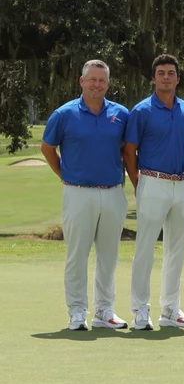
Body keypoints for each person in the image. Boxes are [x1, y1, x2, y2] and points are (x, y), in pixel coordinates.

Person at [41, 60, 130, 330]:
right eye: (92, 79)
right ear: (81, 81)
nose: (97, 84)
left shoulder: (121, 114)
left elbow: (127, 150)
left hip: (113, 193)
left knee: (109, 255)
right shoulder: (64, 114)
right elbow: (47, 148)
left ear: (108, 84)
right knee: (77, 254)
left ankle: (105, 311)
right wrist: (66, 176)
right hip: (78, 193)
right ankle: (77, 311)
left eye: (102, 80)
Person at [123, 54, 184, 330]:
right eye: (161, 73)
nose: (166, 77)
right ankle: (140, 309)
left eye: (171, 73)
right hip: (152, 181)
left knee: (176, 249)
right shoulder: (141, 111)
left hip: (181, 183)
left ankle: (171, 310)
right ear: (153, 78)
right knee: (145, 249)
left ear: (178, 78)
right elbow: (129, 151)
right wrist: (138, 181)